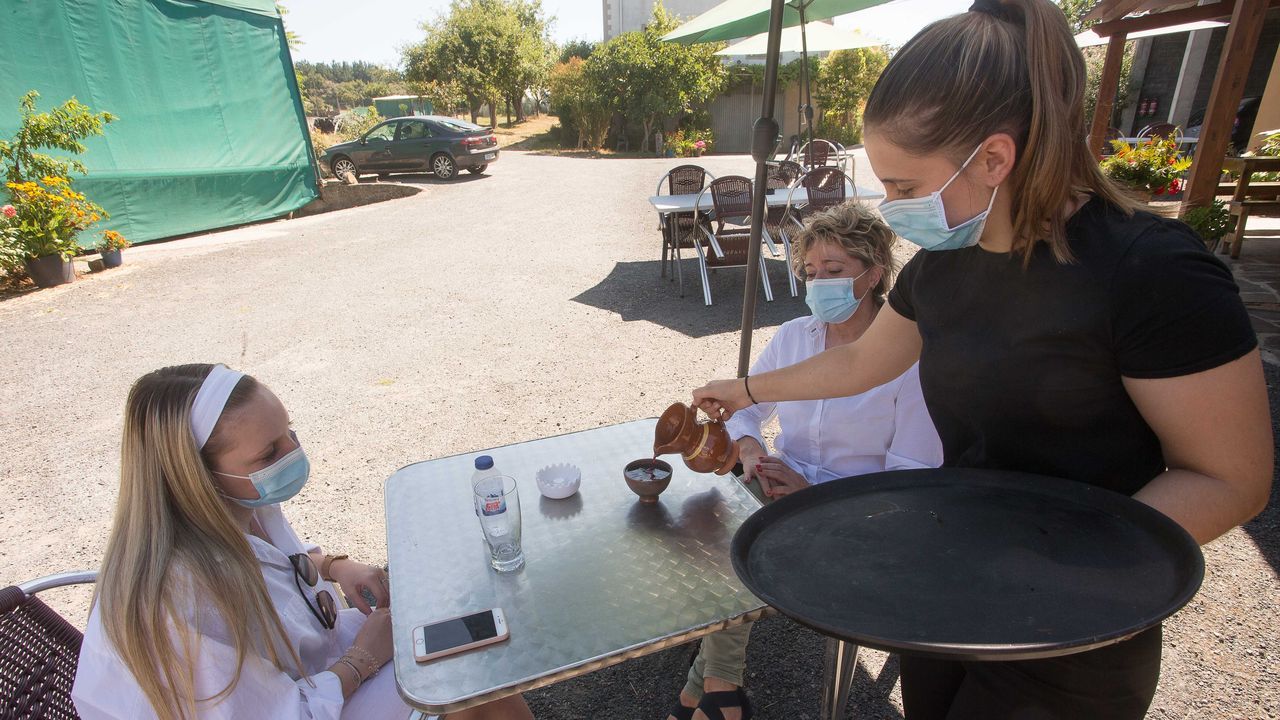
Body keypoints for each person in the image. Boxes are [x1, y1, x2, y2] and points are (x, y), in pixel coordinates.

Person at [690, 0, 1273, 717]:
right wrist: (744, 389)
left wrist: (1056, 567)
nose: (894, 206)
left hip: (1077, 624)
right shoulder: (946, 263)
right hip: (946, 583)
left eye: (904, 187)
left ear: (994, 157)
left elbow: (1230, 478)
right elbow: (856, 365)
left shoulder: (1153, 273)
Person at [72, 364, 534, 720]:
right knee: (465, 679)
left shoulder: (236, 502)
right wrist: (362, 659)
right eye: (269, 453)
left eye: (288, 433)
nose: (292, 454)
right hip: (306, 700)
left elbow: (274, 566)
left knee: (461, 634)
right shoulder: (178, 600)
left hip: (315, 672)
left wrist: (333, 566)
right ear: (195, 475)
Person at [668, 202, 943, 720]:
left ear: (875, 274)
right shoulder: (796, 337)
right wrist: (750, 451)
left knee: (730, 539)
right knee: (707, 518)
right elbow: (744, 412)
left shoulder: (909, 359)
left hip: (857, 513)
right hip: (776, 487)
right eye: (810, 272)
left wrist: (814, 496)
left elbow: (914, 482)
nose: (819, 284)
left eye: (834, 272)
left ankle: (707, 689)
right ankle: (720, 689)